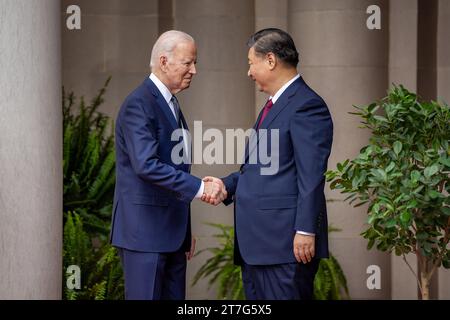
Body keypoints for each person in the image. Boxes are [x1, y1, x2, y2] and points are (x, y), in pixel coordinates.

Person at [203, 28, 333, 300]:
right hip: (258, 248)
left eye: (251, 63)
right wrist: (226, 185)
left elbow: (311, 176)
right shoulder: (273, 106)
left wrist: (305, 230)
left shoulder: (306, 105)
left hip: (285, 246)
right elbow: (260, 169)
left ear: (271, 60)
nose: (249, 72)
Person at [110, 30, 227, 300]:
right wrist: (201, 187)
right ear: (164, 62)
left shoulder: (170, 104)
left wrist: (183, 231)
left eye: (194, 63)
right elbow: (147, 166)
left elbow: (174, 171)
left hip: (171, 236)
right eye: (188, 63)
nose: (194, 70)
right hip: (145, 237)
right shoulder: (139, 104)